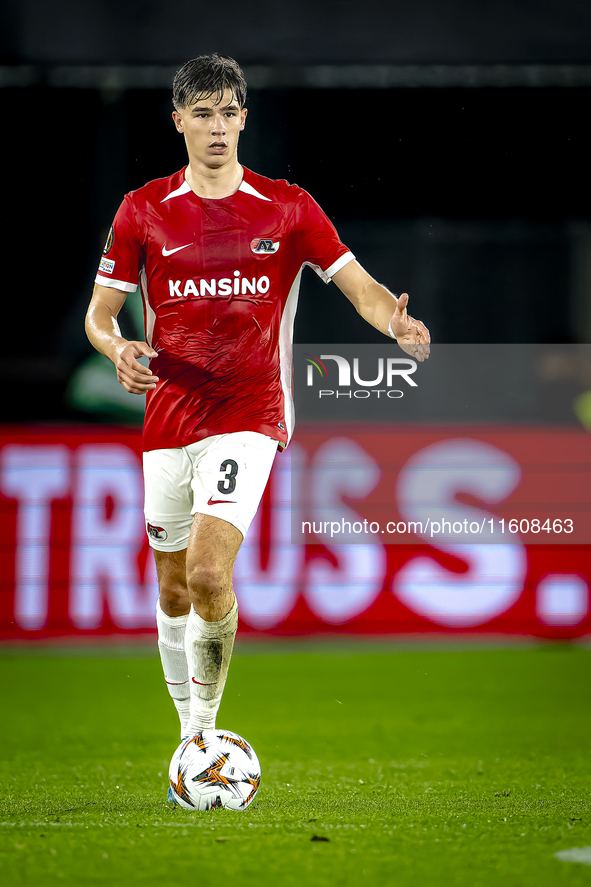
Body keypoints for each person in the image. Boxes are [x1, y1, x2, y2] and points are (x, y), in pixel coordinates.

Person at [85, 54, 430, 758]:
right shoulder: (141, 209)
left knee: (211, 573)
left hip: (250, 413)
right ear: (178, 120)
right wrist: (115, 348)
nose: (217, 126)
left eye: (228, 112)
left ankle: (202, 735)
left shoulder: (288, 207)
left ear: (244, 118)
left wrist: (392, 323)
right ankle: (190, 731)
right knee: (175, 589)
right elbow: (100, 315)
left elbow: (354, 282)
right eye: (202, 113)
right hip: (167, 419)